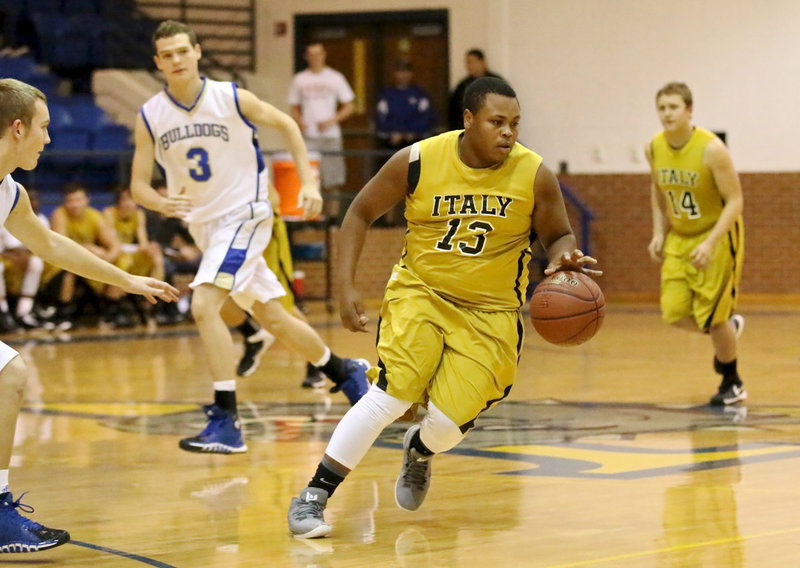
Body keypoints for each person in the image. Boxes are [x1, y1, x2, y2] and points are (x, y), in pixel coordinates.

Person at [287, 77, 601, 538]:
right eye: (497, 122)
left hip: (491, 313)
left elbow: (558, 235)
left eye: (514, 123)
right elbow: (358, 213)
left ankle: (420, 450)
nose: (508, 132)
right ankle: (313, 496)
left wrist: (561, 258)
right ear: (469, 120)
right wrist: (345, 289)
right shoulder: (417, 160)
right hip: (421, 293)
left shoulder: (533, 173)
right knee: (390, 396)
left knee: (448, 425)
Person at [130, 21, 370, 455]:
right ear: (157, 62)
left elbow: (289, 127)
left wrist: (308, 185)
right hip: (206, 227)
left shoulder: (231, 97)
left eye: (183, 51)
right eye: (167, 55)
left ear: (198, 52)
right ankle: (344, 370)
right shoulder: (151, 115)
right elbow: (139, 185)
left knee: (204, 304)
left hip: (245, 214)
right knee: (274, 317)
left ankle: (227, 420)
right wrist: (158, 202)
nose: (177, 60)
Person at [0, 77, 178, 553]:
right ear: (17, 129)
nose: (49, 138)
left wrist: (125, 279)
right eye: (43, 127)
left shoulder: (10, 193)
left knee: (9, 375)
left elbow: (51, 244)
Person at [645, 82, 745, 407]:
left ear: (689, 110)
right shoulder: (654, 147)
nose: (666, 114)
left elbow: (735, 201)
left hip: (716, 234)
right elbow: (657, 191)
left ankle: (732, 381)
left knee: (713, 318)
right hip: (680, 236)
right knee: (674, 313)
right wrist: (659, 232)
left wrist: (711, 243)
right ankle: (727, 331)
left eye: (673, 107)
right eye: (662, 108)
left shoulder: (712, 149)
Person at [44, 182, 123, 329]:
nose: (74, 205)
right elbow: (63, 246)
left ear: (87, 200)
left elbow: (115, 246)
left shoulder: (95, 216)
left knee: (117, 266)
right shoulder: (59, 215)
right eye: (70, 201)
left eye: (78, 200)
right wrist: (89, 251)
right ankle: (63, 314)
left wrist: (106, 261)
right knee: (70, 271)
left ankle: (110, 312)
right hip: (59, 264)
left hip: (86, 262)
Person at [288, 42, 355, 214]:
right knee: (309, 179)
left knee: (332, 180)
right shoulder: (300, 79)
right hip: (309, 137)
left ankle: (332, 220)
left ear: (324, 55)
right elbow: (293, 106)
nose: (315, 57)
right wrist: (300, 122)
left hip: (330, 136)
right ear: (306, 57)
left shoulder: (335, 78)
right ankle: (312, 219)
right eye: (311, 54)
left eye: (318, 53)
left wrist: (332, 120)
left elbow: (349, 105)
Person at [103, 186, 166, 326]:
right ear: (118, 201)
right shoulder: (109, 213)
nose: (128, 203)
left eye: (131, 199)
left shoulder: (139, 214)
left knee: (157, 259)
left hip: (131, 252)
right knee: (123, 263)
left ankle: (152, 301)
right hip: (115, 252)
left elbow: (142, 242)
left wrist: (150, 248)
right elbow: (113, 243)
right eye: (125, 199)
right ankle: (113, 310)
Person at [375, 59, 434, 152]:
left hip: (416, 142)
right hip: (391, 143)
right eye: (400, 71)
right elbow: (381, 117)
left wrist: (413, 132)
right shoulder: (386, 95)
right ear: (394, 73)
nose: (403, 75)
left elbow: (426, 116)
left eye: (406, 71)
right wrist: (394, 131)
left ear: (411, 74)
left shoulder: (420, 94)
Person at [447, 48, 503, 131]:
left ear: (482, 62)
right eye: (467, 62)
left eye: (472, 62)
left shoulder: (497, 83)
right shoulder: (462, 86)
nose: (469, 66)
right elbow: (454, 110)